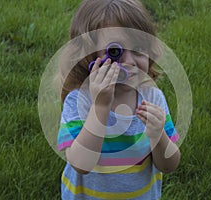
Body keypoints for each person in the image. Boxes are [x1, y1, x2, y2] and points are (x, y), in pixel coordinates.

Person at [57, 0, 180, 199]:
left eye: (139, 48)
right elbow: (81, 164)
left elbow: (169, 165)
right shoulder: (80, 101)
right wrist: (101, 106)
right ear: (89, 57)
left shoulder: (152, 97)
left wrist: (159, 136)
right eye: (115, 52)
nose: (130, 61)